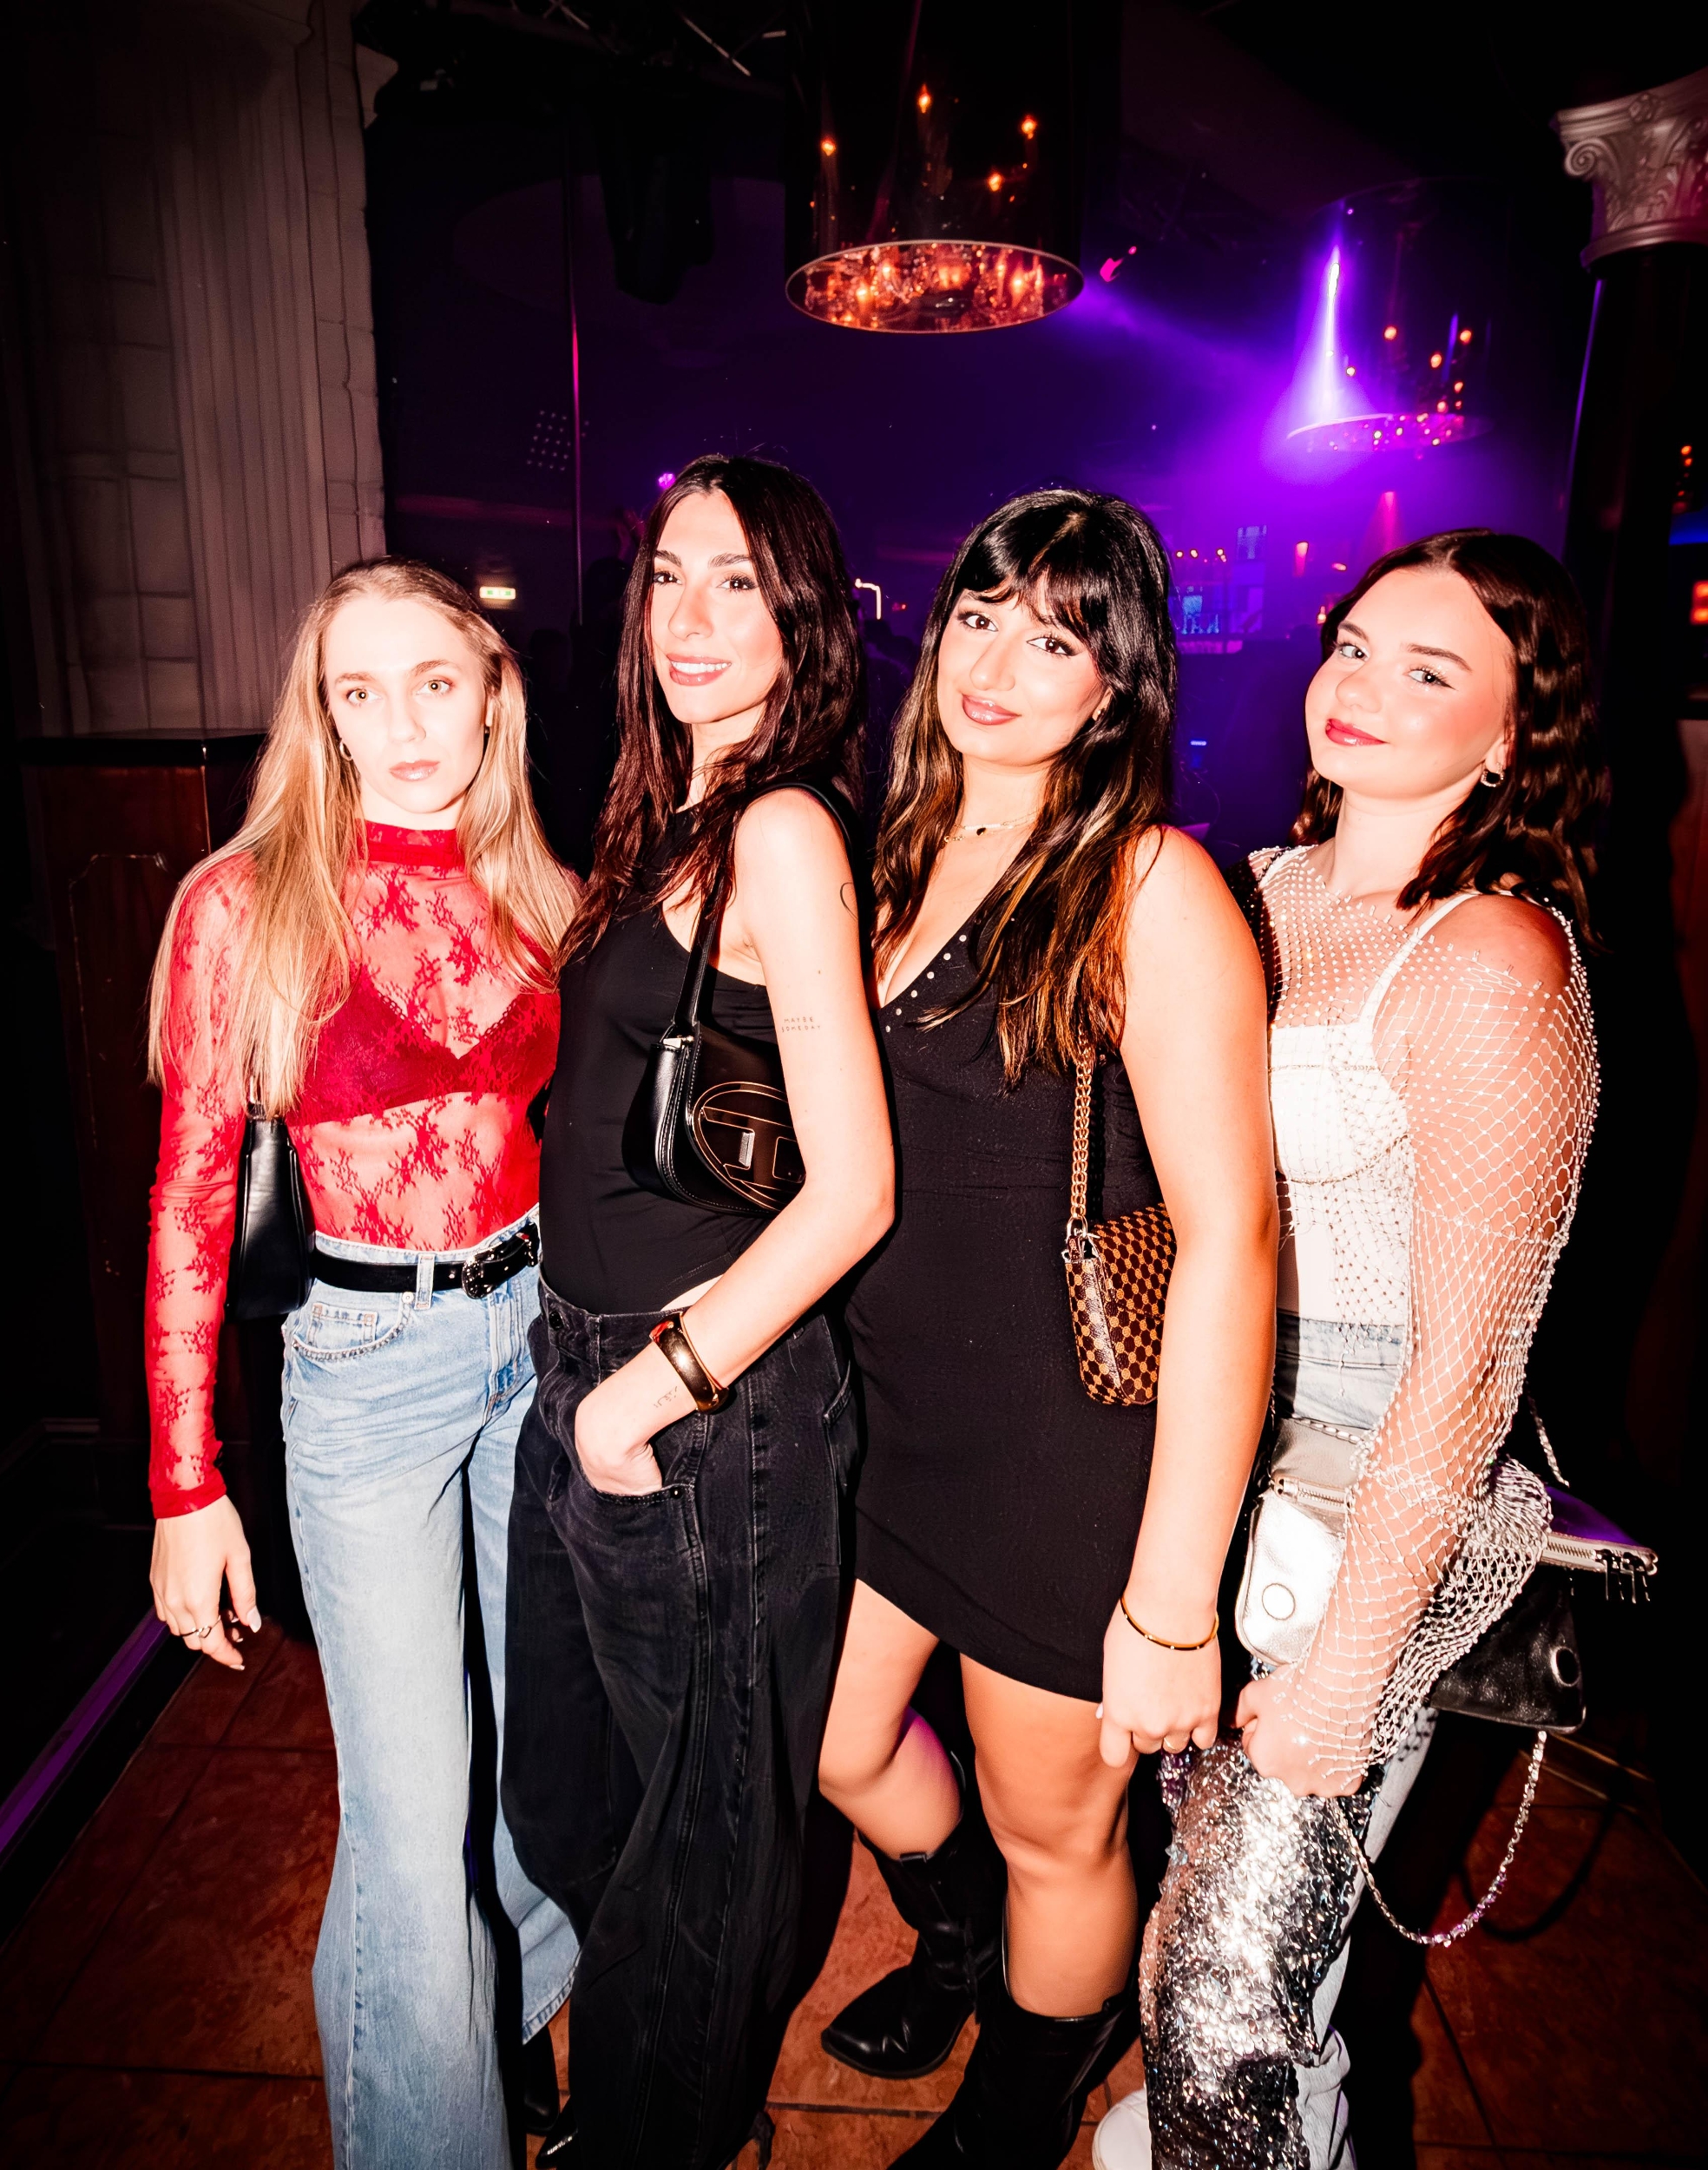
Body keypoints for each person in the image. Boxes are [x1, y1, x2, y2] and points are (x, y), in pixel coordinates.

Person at [1094, 529, 1603, 2169]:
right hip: (1212, 1434)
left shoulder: (1493, 957)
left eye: (1430, 669)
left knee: (1228, 2004)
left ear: (1514, 732)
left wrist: (1345, 1678)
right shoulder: (1261, 887)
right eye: (1356, 645)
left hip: (1363, 1480)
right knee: (1199, 1943)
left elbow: (1469, 1372)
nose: (1363, 687)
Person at [815, 489, 1279, 2167]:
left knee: (1053, 1831)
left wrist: (1172, 1600)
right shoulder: (892, 855)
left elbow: (1232, 1241)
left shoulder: (1147, 883)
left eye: (1056, 638)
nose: (998, 663)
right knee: (834, 1738)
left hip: (1054, 1455)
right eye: (980, 616)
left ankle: (1015, 2108)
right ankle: (959, 1946)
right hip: (888, 1424)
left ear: (1117, 686)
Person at [145, 560, 581, 2170]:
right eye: (357, 691)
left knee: (536, 1765)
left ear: (492, 691)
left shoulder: (541, 885)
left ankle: (476, 2038)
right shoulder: (247, 900)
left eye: (435, 682)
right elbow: (191, 1195)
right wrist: (184, 1485)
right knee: (410, 1829)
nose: (402, 724)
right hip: (370, 1364)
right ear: (318, 716)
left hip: (535, 1349)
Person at [501, 455, 896, 2168]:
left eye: (738, 583)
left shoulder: (782, 828)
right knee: (572, 1792)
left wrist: (644, 1391)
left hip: (704, 1399)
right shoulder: (660, 808)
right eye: (670, 575)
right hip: (587, 1366)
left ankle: (657, 2124)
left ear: (803, 620)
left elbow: (855, 1187)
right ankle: (674, 2070)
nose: (690, 617)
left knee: (704, 1837)